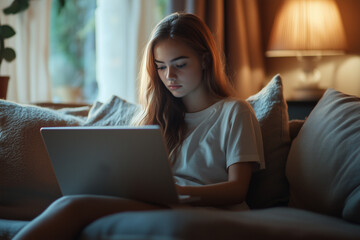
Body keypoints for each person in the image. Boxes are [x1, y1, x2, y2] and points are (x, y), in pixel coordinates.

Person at [13, 12, 264, 240]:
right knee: (70, 201)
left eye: (180, 64)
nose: (169, 76)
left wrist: (179, 192)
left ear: (205, 60)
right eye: (161, 67)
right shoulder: (160, 116)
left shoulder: (235, 112)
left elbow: (238, 190)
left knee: (73, 207)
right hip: (160, 203)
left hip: (201, 209)